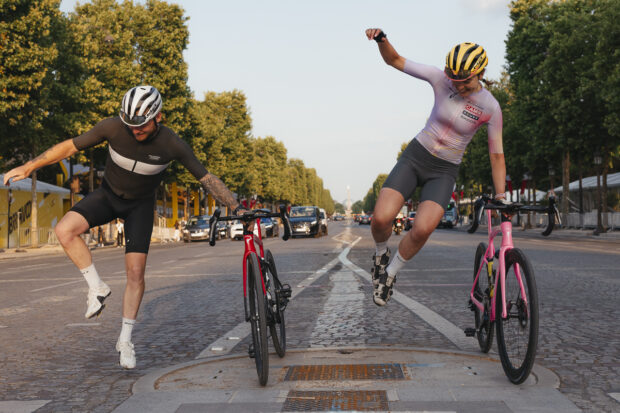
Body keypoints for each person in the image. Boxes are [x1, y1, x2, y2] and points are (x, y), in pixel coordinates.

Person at [2, 85, 241, 369]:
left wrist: (237, 207)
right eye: (130, 124)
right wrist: (30, 167)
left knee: (136, 273)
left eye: (141, 126)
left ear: (158, 117)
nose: (135, 130)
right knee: (64, 230)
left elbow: (207, 178)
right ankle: (97, 288)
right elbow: (69, 146)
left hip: (140, 206)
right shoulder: (113, 128)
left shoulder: (172, 144)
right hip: (108, 196)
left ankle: (125, 340)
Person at [365, 29, 506, 306]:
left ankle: (390, 274)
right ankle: (381, 255)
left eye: (465, 82)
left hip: (444, 170)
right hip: (416, 155)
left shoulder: (491, 107)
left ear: (480, 73)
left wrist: (501, 197)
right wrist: (382, 39)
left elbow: (497, 155)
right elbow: (394, 60)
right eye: (454, 80)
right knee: (381, 219)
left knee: (422, 229)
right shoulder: (440, 79)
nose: (458, 86)